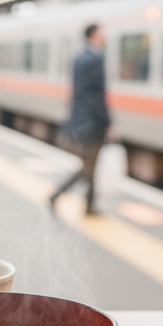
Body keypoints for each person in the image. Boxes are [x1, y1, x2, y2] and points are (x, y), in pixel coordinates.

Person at [49, 24, 111, 216]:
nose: (104, 36)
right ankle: (59, 194)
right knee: (89, 166)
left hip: (81, 120)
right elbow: (96, 96)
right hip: (92, 123)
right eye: (102, 32)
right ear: (93, 35)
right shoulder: (94, 60)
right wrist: (107, 122)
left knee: (91, 165)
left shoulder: (79, 58)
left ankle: (89, 204)